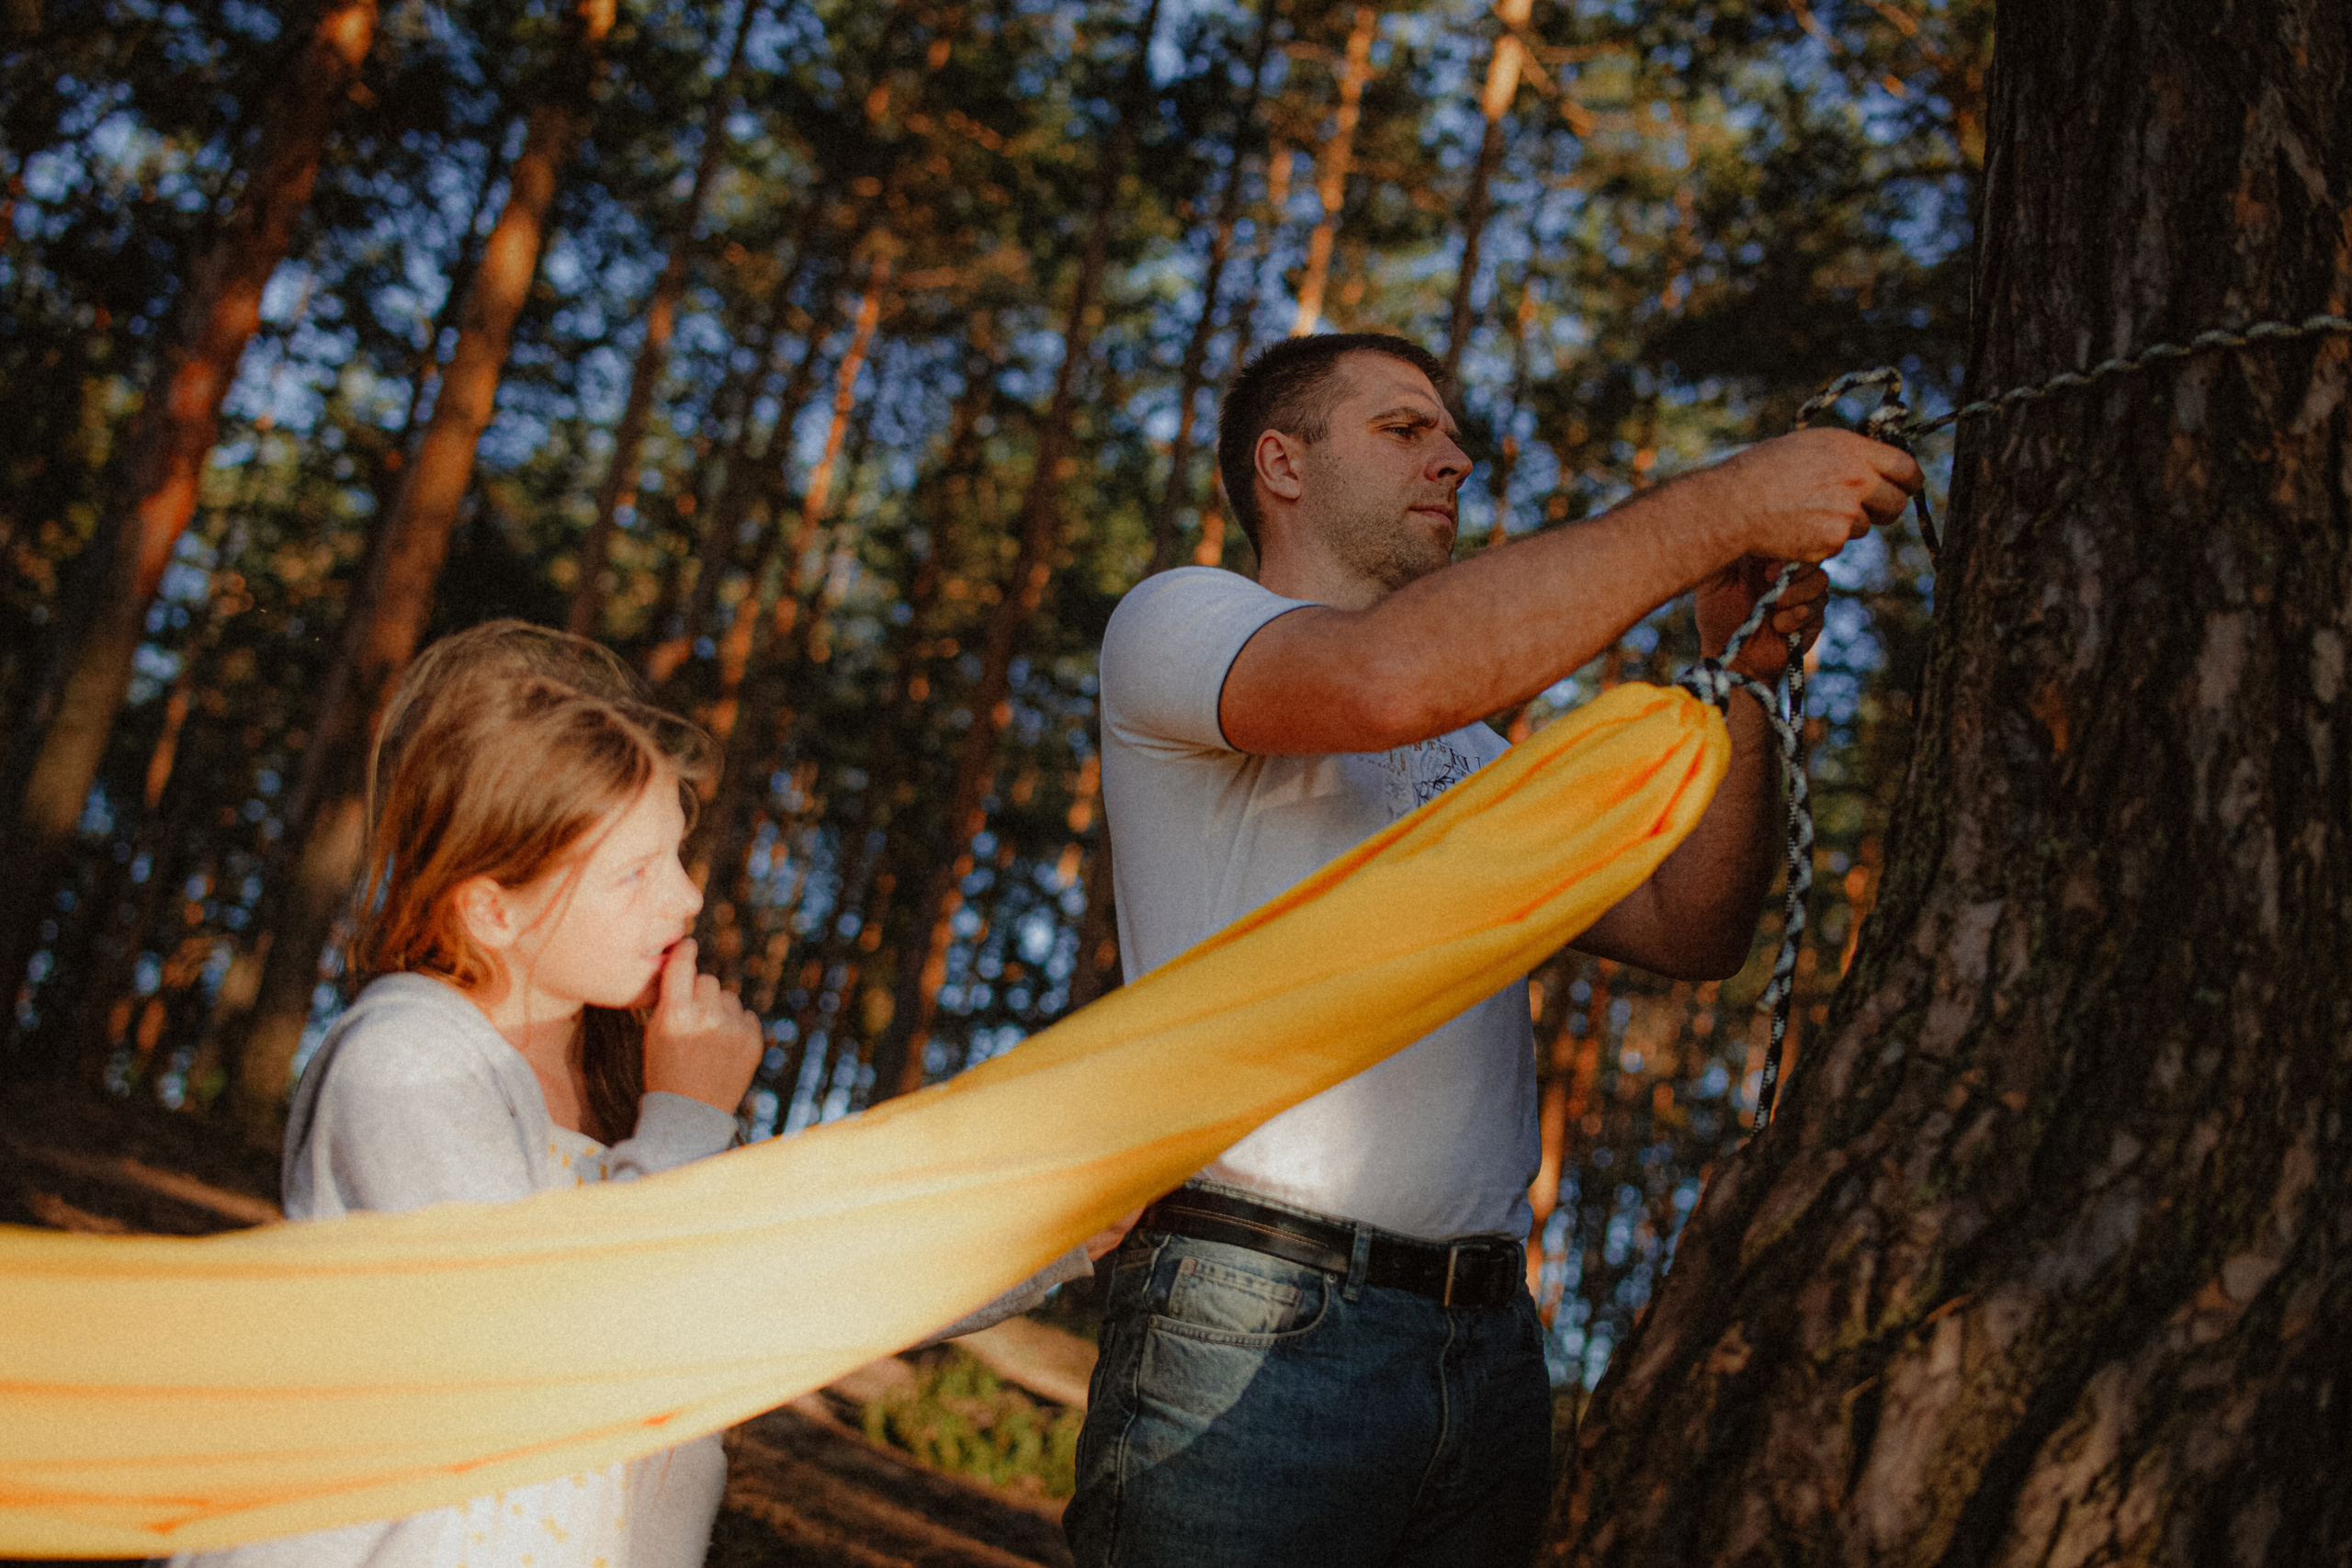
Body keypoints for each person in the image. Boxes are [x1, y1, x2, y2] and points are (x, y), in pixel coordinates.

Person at [1066, 333, 1921, 1567]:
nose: (1455, 459)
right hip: (1249, 1313)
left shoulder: (1469, 756)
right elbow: (1381, 682)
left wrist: (1747, 677)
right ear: (1281, 465)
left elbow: (1694, 929)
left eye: (1452, 436)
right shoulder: (1186, 617)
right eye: (1405, 430)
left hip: (1487, 1348)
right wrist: (1729, 500)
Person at [175, 621, 765, 1568]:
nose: (687, 900)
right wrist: (688, 1121)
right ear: (492, 908)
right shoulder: (407, 1061)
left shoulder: (626, 1079)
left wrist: (1043, 1237)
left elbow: (778, 1281)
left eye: (679, 855)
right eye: (635, 873)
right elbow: (527, 1341)